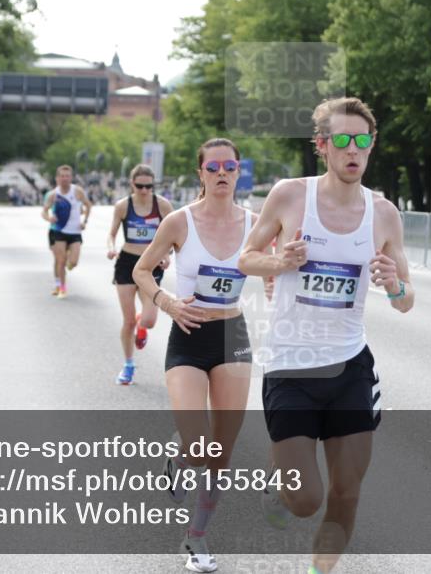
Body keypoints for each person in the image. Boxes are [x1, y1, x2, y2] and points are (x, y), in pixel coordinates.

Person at [238, 97, 415, 574]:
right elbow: (245, 259)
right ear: (323, 146)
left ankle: (320, 571)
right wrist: (279, 262)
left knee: (346, 490)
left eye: (362, 141)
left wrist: (394, 284)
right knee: (303, 501)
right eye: (342, 140)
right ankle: (283, 479)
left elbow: (406, 300)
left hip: (350, 368)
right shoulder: (291, 196)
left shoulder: (383, 214)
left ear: (371, 146)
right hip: (291, 368)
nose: (352, 150)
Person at [134, 138, 267, 572]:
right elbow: (141, 269)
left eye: (230, 166)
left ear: (239, 171)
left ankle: (197, 538)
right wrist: (166, 301)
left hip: (232, 334)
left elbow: (276, 267)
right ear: (201, 174)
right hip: (188, 335)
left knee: (221, 451)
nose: (222, 173)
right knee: (197, 444)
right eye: (214, 167)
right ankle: (178, 457)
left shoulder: (257, 222)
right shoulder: (178, 222)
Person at [107, 165, 174, 384]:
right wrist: (110, 247)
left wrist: (166, 254)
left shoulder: (163, 206)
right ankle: (128, 365)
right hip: (126, 262)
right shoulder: (123, 206)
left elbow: (175, 236)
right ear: (131, 184)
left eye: (148, 186)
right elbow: (111, 233)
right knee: (127, 322)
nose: (144, 190)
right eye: (140, 186)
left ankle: (141, 324)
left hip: (151, 264)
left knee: (149, 319)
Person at [41, 165, 91, 298]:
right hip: (58, 231)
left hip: (75, 232)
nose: (64, 179)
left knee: (73, 262)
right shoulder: (53, 194)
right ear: (57, 178)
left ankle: (66, 269)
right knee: (60, 260)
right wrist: (49, 218)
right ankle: (61, 287)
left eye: (67, 176)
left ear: (71, 177)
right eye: (62, 176)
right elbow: (44, 211)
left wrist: (84, 221)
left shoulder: (77, 191)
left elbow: (88, 205)